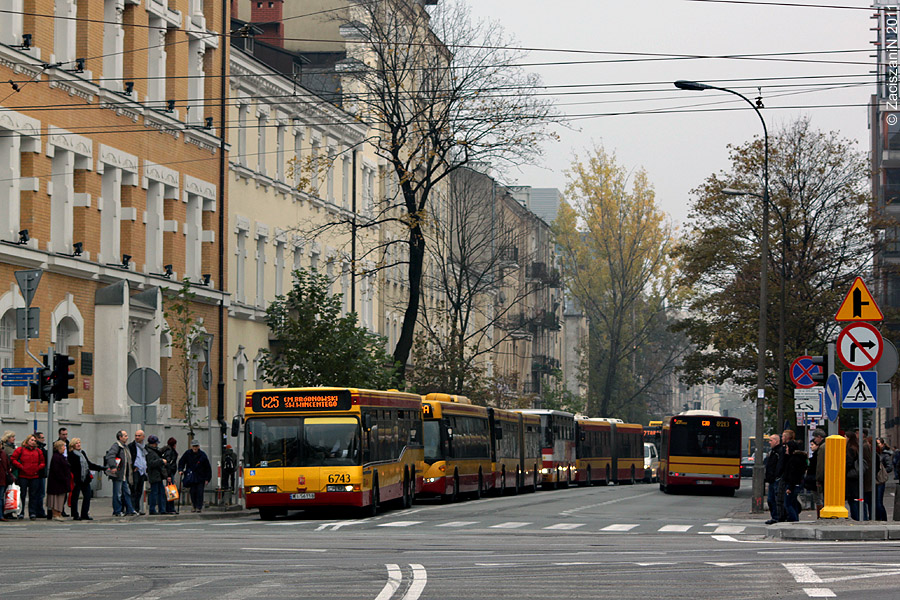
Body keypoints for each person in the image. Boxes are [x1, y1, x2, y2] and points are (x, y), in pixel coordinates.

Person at [68, 438, 105, 520]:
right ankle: (75, 514)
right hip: (76, 479)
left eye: (79, 443)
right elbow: (71, 467)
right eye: (76, 443)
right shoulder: (71, 455)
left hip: (85, 478)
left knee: (87, 496)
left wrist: (101, 468)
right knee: (75, 496)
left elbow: (89, 464)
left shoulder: (82, 453)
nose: (78, 444)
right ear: (73, 445)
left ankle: (84, 514)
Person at [11, 434, 46, 519]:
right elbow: (13, 459)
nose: (33, 442)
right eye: (31, 440)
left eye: (34, 440)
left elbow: (42, 462)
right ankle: (21, 512)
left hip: (34, 476)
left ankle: (32, 512)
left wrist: (38, 468)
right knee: (22, 494)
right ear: (27, 440)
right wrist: (21, 466)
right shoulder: (21, 450)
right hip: (23, 475)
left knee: (33, 495)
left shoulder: (38, 451)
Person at [105, 430, 137, 517]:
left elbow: (128, 460)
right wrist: (113, 466)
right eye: (125, 436)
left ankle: (130, 509)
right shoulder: (116, 446)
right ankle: (117, 511)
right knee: (118, 493)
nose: (127, 437)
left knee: (127, 492)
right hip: (118, 474)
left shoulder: (125, 447)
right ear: (120, 437)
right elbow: (110, 456)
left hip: (124, 475)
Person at [178, 440, 211, 513]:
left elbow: (207, 468)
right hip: (191, 477)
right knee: (192, 492)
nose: (195, 448)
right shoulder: (188, 454)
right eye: (193, 446)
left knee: (200, 492)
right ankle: (194, 505)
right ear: (191, 447)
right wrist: (180, 469)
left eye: (196, 446)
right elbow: (182, 462)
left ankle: (199, 506)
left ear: (198, 447)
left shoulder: (202, 455)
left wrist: (207, 478)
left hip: (200, 477)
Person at [846, 431, 870, 521]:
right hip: (857, 478)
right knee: (859, 499)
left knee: (854, 500)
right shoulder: (857, 447)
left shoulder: (850, 449)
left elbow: (848, 463)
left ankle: (858, 518)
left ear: (849, 438)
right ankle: (863, 517)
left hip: (852, 478)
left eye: (845, 437)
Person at [782, 440, 807, 522]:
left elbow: (792, 475)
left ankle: (793, 518)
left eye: (787, 448)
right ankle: (795, 517)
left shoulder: (793, 460)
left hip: (792, 485)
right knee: (793, 503)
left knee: (788, 503)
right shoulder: (800, 458)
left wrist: (789, 487)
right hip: (797, 484)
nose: (786, 450)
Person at [46, 440, 71, 522]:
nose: (64, 448)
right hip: (57, 483)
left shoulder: (61, 456)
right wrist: (63, 478)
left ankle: (59, 513)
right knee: (56, 499)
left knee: (61, 499)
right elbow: (57, 470)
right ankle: (56, 513)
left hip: (61, 482)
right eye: (63, 446)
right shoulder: (56, 457)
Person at [145, 435, 168, 515]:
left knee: (160, 492)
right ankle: (153, 509)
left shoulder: (153, 451)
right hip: (154, 475)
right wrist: (161, 461)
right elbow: (151, 463)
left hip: (158, 475)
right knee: (155, 492)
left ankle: (162, 509)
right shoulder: (150, 452)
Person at [128, 430, 147, 515]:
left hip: (142, 471)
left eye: (139, 436)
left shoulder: (143, 447)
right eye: (136, 435)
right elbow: (129, 458)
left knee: (139, 491)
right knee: (134, 490)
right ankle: (132, 509)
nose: (137, 437)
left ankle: (137, 508)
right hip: (135, 471)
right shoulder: (131, 446)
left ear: (143, 437)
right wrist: (132, 467)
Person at [764, 434, 782, 525]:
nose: (769, 442)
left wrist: (776, 476)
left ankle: (777, 517)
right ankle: (774, 516)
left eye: (771, 440)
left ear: (776, 441)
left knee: (774, 499)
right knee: (771, 500)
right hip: (771, 479)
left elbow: (778, 466)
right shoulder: (773, 451)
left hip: (775, 479)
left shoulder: (778, 452)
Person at [875, 438, 892, 521]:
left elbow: (890, 467)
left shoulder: (885, 455)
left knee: (879, 502)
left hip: (880, 480)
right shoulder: (874, 453)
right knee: (875, 502)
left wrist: (882, 471)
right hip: (874, 480)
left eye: (878, 443)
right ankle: (877, 518)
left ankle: (883, 519)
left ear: (882, 444)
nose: (877, 445)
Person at [33, 431, 48, 519]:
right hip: (37, 473)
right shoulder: (37, 448)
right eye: (41, 438)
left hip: (42, 473)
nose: (43, 439)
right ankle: (37, 510)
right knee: (37, 493)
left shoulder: (42, 448)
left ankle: (39, 510)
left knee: (41, 493)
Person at [162, 438, 178, 514]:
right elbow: (168, 464)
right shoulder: (170, 452)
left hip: (170, 473)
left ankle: (169, 507)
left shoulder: (168, 451)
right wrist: (169, 475)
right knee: (171, 491)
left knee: (170, 491)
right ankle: (170, 508)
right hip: (170, 473)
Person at [0, 438, 11, 521]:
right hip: (2, 479)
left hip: (2, 479)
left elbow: (7, 467)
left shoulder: (3, 454)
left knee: (1, 498)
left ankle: (1, 515)